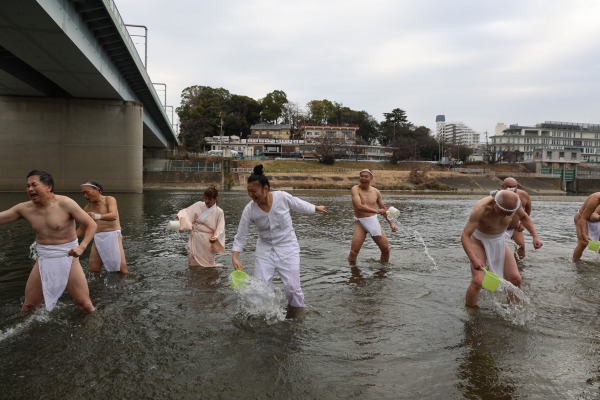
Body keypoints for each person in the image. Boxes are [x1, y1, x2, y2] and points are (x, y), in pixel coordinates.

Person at [231, 164, 327, 310]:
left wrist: (315, 208)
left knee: (293, 288)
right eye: (249, 191)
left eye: (254, 191)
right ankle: (262, 315)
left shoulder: (281, 197)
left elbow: (299, 204)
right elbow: (241, 235)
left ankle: (297, 313)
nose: (251, 194)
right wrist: (235, 257)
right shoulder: (249, 209)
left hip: (288, 247)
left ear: (265, 189)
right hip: (264, 250)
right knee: (260, 289)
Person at [0, 170, 96, 312]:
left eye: (34, 185)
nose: (30, 189)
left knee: (84, 304)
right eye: (27, 186)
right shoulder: (24, 208)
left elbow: (91, 224)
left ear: (48, 187)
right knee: (29, 306)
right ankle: (31, 333)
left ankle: (93, 329)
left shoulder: (65, 203)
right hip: (44, 256)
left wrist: (82, 247)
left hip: (68, 255)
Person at [461, 189, 543, 307]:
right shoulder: (481, 209)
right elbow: (465, 235)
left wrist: (535, 237)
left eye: (508, 213)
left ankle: (516, 308)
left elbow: (524, 218)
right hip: (478, 242)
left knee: (516, 279)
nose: (505, 215)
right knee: (478, 281)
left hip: (499, 240)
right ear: (495, 202)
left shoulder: (515, 205)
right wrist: (473, 259)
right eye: (502, 212)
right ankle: (471, 311)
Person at [77, 181, 128, 273]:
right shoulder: (87, 208)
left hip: (113, 235)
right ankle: (97, 287)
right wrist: (63, 238)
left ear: (97, 190)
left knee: (122, 270)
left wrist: (97, 216)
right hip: (98, 237)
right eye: (83, 193)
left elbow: (113, 216)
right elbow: (81, 230)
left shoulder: (109, 199)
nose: (85, 196)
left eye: (87, 192)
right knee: (93, 269)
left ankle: (122, 286)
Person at [348, 169, 397, 263]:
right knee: (354, 251)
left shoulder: (376, 192)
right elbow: (359, 206)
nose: (363, 178)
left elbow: (383, 208)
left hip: (372, 221)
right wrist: (376, 210)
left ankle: (383, 270)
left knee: (386, 249)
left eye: (366, 176)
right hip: (360, 221)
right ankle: (352, 272)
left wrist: (391, 223)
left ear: (371, 178)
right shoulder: (355, 189)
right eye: (361, 176)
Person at [176, 186, 225, 267]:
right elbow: (187, 213)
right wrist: (180, 217)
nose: (206, 201)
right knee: (193, 260)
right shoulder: (198, 205)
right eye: (205, 198)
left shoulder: (219, 212)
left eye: (209, 199)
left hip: (207, 240)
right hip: (195, 237)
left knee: (207, 263)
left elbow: (221, 228)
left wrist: (216, 237)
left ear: (215, 198)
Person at [501, 177, 532, 259]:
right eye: (508, 187)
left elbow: (528, 209)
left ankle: (520, 266)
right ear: (503, 186)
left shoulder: (523, 195)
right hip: (499, 228)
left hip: (515, 227)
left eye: (514, 187)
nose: (511, 189)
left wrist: (522, 224)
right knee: (499, 249)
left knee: (521, 247)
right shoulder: (497, 196)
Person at [572, 192, 600, 261]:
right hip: (581, 218)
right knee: (583, 243)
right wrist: (584, 234)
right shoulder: (595, 199)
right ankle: (575, 262)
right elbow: (585, 218)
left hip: (597, 220)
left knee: (598, 244)